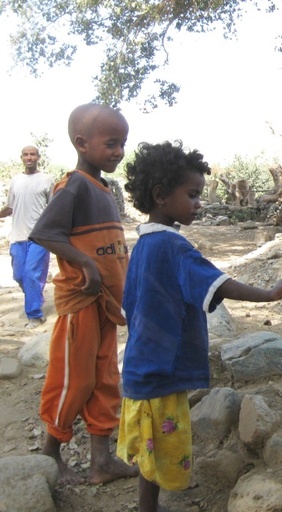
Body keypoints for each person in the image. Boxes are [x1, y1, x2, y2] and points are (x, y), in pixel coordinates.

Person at [116, 140, 282, 512]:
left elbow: (129, 305)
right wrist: (269, 294)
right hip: (162, 369)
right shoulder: (173, 247)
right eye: (193, 195)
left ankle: (146, 507)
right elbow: (220, 284)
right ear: (160, 195)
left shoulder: (143, 246)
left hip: (142, 363)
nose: (199, 203)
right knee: (161, 446)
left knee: (149, 445)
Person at [29, 103, 138, 486]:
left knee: (106, 378)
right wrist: (86, 264)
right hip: (82, 303)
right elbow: (44, 233)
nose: (119, 151)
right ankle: (50, 454)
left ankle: (100, 461)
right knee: (73, 379)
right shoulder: (73, 184)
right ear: (82, 143)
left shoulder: (104, 189)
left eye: (122, 143)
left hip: (106, 305)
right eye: (111, 143)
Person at [0, 145, 54, 328]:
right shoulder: (15, 181)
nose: (29, 157)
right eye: (26, 154)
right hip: (17, 237)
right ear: (21, 157)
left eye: (32, 154)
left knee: (31, 274)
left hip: (39, 237)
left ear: (38, 157)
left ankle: (35, 315)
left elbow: (53, 208)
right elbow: (9, 208)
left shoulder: (47, 180)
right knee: (19, 276)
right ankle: (35, 296)